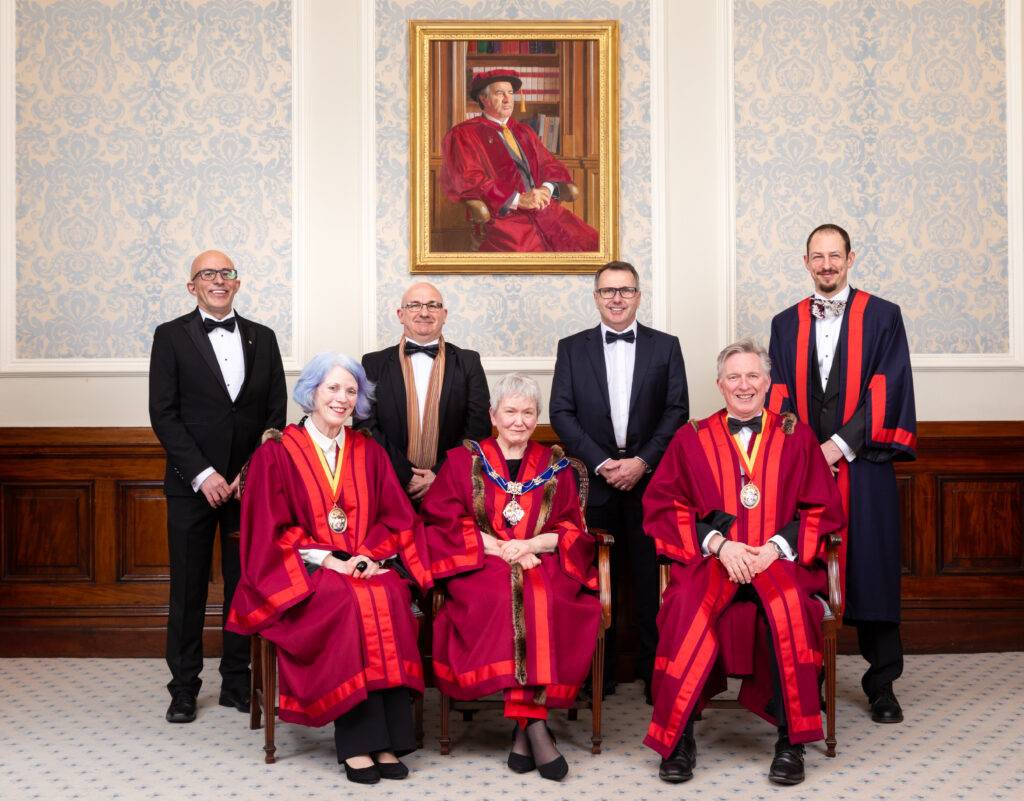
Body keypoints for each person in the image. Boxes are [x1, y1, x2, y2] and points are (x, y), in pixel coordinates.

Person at [643, 339, 845, 786]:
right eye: (734, 377)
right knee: (684, 610)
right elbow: (662, 506)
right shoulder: (691, 437)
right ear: (719, 385)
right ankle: (679, 738)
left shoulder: (798, 436)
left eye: (753, 376)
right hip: (716, 559)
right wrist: (718, 544)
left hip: (778, 560)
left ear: (769, 383)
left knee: (792, 608)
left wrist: (774, 547)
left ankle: (791, 741)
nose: (744, 385)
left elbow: (822, 509)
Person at [226, 354, 433, 784]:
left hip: (361, 562)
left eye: (351, 391)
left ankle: (388, 739)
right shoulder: (276, 453)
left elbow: (395, 517)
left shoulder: (368, 451)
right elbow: (269, 529)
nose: (342, 399)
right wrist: (330, 559)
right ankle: (358, 741)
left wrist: (368, 556)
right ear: (312, 392)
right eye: (333, 389)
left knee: (390, 593)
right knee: (346, 601)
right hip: (303, 569)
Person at [768, 223, 917, 724]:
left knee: (871, 565)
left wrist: (839, 445)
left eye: (836, 256)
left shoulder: (883, 316)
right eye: (818, 256)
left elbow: (886, 386)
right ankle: (809, 676)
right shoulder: (785, 323)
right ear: (805, 261)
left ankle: (882, 685)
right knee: (804, 566)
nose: (827, 265)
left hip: (864, 463)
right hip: (805, 470)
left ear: (851, 259)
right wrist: (807, 452)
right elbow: (781, 394)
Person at [420, 373, 601, 782]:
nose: (519, 421)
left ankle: (524, 730)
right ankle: (535, 728)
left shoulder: (556, 466)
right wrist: (500, 547)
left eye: (528, 412)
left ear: (537, 417)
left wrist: (532, 546)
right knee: (501, 597)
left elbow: (575, 529)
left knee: (547, 599)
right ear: (493, 415)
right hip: (481, 561)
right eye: (511, 411)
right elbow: (441, 523)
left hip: (542, 560)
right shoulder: (462, 461)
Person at [149, 249, 287, 724]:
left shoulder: (263, 338)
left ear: (238, 282)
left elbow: (275, 416)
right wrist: (204, 475)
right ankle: (184, 688)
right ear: (193, 287)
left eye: (226, 273)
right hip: (191, 485)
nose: (218, 280)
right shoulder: (169, 337)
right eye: (208, 274)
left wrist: (245, 475)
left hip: (247, 487)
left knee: (243, 585)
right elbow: (163, 415)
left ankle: (236, 680)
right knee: (186, 589)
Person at [549, 260, 688, 702]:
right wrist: (604, 462)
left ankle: (653, 675)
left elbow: (676, 411)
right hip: (595, 483)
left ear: (638, 295)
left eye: (625, 290)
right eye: (608, 291)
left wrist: (642, 462)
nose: (616, 298)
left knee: (649, 581)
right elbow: (561, 413)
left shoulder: (665, 347)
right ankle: (598, 676)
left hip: (650, 483)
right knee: (593, 582)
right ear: (595, 297)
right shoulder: (572, 347)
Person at [358, 282, 490, 504]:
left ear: (444, 314)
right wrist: (406, 475)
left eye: (433, 305)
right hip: (389, 487)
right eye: (414, 305)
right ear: (400, 314)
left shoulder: (469, 362)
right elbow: (366, 427)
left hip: (452, 488)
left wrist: (440, 473)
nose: (424, 312)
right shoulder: (373, 363)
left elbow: (478, 427)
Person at [440, 68, 599, 252]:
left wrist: (546, 190)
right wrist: (518, 199)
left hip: (542, 210)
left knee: (589, 244)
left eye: (510, 93)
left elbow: (550, 164)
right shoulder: (465, 134)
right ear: (483, 99)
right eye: (500, 93)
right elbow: (470, 179)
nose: (508, 99)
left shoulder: (523, 131)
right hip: (503, 217)